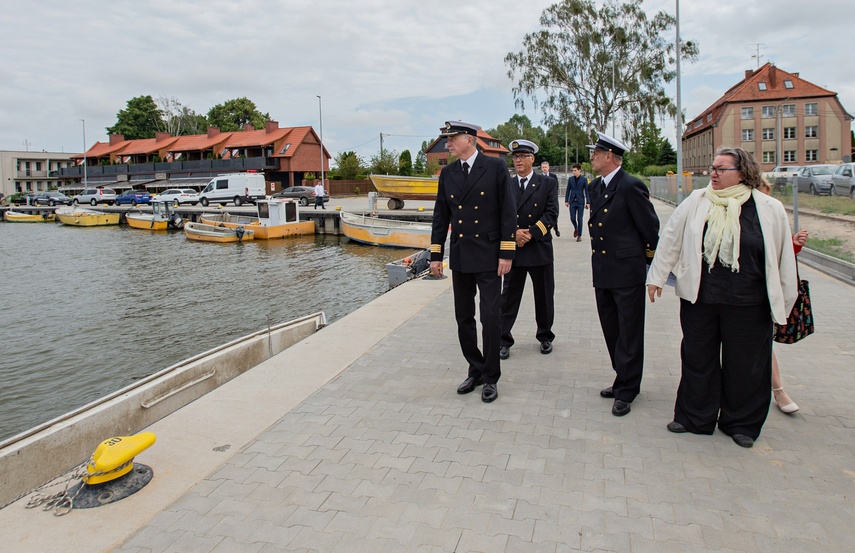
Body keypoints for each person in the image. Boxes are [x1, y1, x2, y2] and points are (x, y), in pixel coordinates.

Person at [646, 147, 798, 448]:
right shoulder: (697, 201)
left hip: (749, 304)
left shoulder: (768, 208)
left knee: (746, 366)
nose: (712, 173)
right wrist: (657, 278)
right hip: (700, 300)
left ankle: (740, 422)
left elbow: (782, 258)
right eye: (712, 168)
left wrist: (784, 299)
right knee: (697, 359)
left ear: (742, 173)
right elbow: (671, 238)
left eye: (720, 169)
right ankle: (693, 417)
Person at [429, 121, 518, 403]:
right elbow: (440, 216)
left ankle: (491, 376)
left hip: (490, 255)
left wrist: (507, 253)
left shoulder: (494, 168)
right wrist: (435, 255)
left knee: (490, 317)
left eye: (452, 139)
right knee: (463, 317)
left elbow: (508, 211)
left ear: (469, 139)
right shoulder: (449, 172)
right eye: (447, 140)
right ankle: (475, 368)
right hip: (462, 254)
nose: (448, 145)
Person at [587, 132, 660, 417]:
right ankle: (622, 377)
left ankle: (629, 388)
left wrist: (648, 266)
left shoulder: (631, 186)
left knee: (629, 332)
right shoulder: (596, 187)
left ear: (609, 156)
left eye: (596, 152)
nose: (591, 156)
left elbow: (650, 229)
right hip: (603, 270)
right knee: (611, 329)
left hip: (627, 272)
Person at [500, 140, 559, 360]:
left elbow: (551, 213)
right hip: (514, 249)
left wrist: (530, 233)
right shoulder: (507, 184)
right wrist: (515, 232)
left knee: (544, 296)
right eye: (515, 157)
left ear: (532, 159)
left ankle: (545, 336)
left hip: (539, 248)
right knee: (508, 298)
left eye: (523, 156)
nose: (518, 160)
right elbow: (501, 213)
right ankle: (503, 339)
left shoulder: (547, 184)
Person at [758, 180, 807, 414]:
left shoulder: (773, 215)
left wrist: (794, 246)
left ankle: (778, 389)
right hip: (741, 292)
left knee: (762, 341)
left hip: (768, 291)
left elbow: (780, 255)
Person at [565, 164, 590, 242]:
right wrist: (566, 200)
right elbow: (568, 190)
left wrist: (588, 202)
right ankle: (576, 228)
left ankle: (579, 235)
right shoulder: (571, 179)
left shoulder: (584, 179)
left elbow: (586, 191)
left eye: (575, 170)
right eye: (573, 170)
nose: (573, 172)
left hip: (580, 201)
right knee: (572, 218)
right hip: (572, 201)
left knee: (580, 218)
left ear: (579, 171)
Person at [540, 161, 560, 237]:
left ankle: (556, 228)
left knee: (554, 214)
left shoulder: (553, 176)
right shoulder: (539, 177)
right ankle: (547, 230)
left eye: (546, 167)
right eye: (543, 167)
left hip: (552, 198)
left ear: (548, 168)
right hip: (543, 199)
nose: (544, 169)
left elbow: (556, 187)